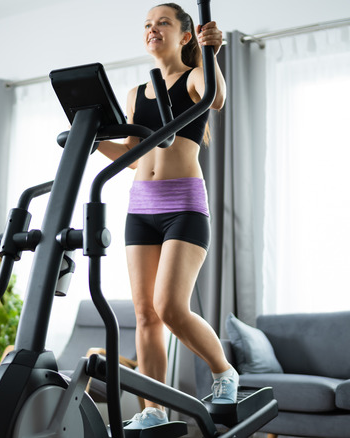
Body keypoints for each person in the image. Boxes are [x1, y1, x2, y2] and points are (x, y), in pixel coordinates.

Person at [96, 2, 237, 430]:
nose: (152, 29)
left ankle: (224, 372)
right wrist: (91, 137)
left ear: (186, 35)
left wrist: (212, 55)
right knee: (144, 314)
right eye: (147, 25)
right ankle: (152, 411)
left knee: (170, 307)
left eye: (163, 23)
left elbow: (216, 97)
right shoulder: (136, 94)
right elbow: (134, 159)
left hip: (184, 207)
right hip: (141, 208)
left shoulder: (194, 76)